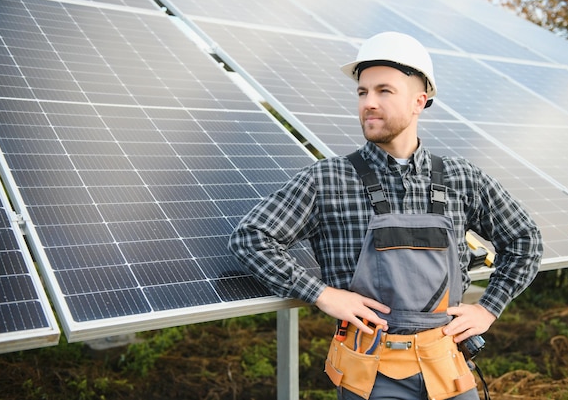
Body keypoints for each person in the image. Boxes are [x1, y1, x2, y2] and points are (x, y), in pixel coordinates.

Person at [229, 32, 543, 400]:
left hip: (447, 366)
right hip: (370, 373)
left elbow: (525, 240)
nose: (369, 103)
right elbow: (251, 238)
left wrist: (488, 308)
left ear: (418, 102)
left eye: (384, 91)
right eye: (362, 93)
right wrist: (322, 294)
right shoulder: (327, 179)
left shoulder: (462, 177)